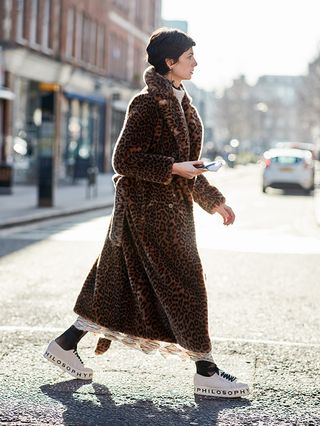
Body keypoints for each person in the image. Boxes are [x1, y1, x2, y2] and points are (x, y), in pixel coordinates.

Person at [44, 28, 249, 398]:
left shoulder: (181, 98)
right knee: (187, 286)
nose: (195, 63)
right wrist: (172, 168)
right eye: (189, 57)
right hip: (148, 214)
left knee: (114, 284)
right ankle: (206, 370)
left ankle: (65, 343)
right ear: (169, 62)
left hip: (169, 212)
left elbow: (186, 165)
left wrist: (213, 200)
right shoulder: (147, 103)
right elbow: (124, 159)